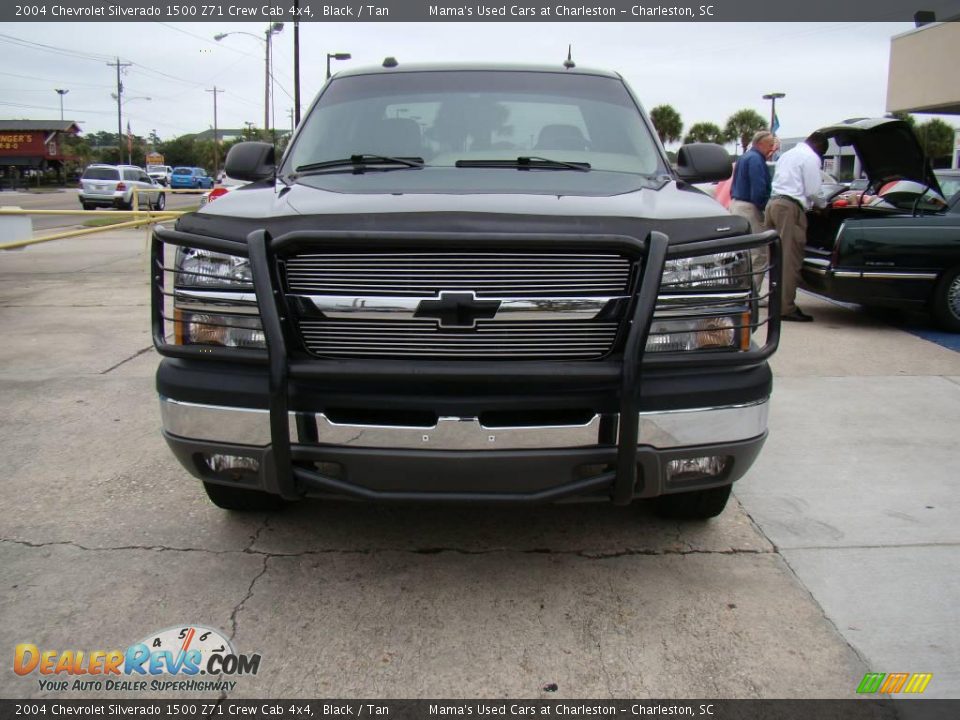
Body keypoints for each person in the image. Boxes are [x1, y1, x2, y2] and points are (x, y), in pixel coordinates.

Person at [765, 131, 829, 322]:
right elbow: (813, 190)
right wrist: (823, 206)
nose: (821, 157)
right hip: (789, 208)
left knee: (775, 260)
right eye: (822, 154)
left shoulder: (788, 154)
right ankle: (786, 308)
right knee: (789, 259)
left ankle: (775, 303)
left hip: (773, 204)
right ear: (818, 147)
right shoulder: (810, 157)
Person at [730, 130, 777, 232]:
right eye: (770, 145)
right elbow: (758, 190)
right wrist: (766, 208)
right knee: (758, 246)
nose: (771, 149)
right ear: (760, 144)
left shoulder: (744, 157)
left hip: (736, 206)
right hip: (749, 210)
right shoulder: (756, 160)